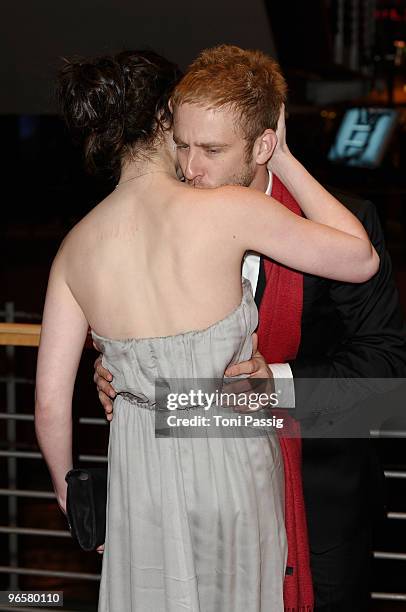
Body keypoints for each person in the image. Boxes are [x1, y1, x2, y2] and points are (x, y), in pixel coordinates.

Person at [35, 49, 379, 612]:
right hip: (230, 463)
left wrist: (73, 495)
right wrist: (286, 155)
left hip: (138, 471)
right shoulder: (231, 210)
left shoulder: (74, 248)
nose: (196, 161)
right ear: (166, 119)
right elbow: (360, 260)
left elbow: (49, 405)